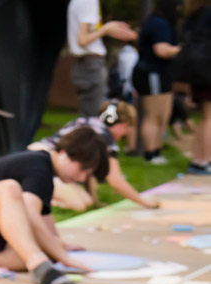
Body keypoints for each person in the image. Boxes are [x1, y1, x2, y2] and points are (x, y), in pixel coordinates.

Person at [0, 126, 111, 284]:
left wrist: (59, 246)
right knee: (9, 188)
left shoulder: (45, 175)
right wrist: (63, 257)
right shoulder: (39, 166)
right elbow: (30, 213)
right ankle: (38, 266)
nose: (81, 179)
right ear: (65, 154)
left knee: (45, 249)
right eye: (83, 170)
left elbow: (43, 219)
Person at [28, 100, 159, 210]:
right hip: (45, 164)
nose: (125, 132)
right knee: (77, 205)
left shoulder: (87, 121)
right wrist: (144, 202)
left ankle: (42, 193)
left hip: (37, 153)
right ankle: (38, 196)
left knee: (87, 201)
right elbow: (115, 180)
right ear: (121, 124)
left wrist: (94, 200)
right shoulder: (105, 137)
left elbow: (87, 168)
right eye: (126, 127)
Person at [66, 0, 137, 118]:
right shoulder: (88, 1)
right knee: (93, 119)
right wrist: (106, 29)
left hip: (86, 64)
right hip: (91, 65)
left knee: (89, 117)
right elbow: (82, 40)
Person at [134, 0, 182, 165]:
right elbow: (161, 50)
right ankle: (150, 154)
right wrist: (183, 49)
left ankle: (157, 151)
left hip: (161, 74)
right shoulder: (159, 23)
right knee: (153, 116)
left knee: (163, 116)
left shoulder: (161, 22)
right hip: (151, 73)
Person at [181, 1, 211, 175]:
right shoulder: (208, 13)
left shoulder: (193, 14)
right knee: (209, 118)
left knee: (205, 117)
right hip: (208, 69)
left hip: (197, 71)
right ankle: (204, 160)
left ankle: (198, 159)